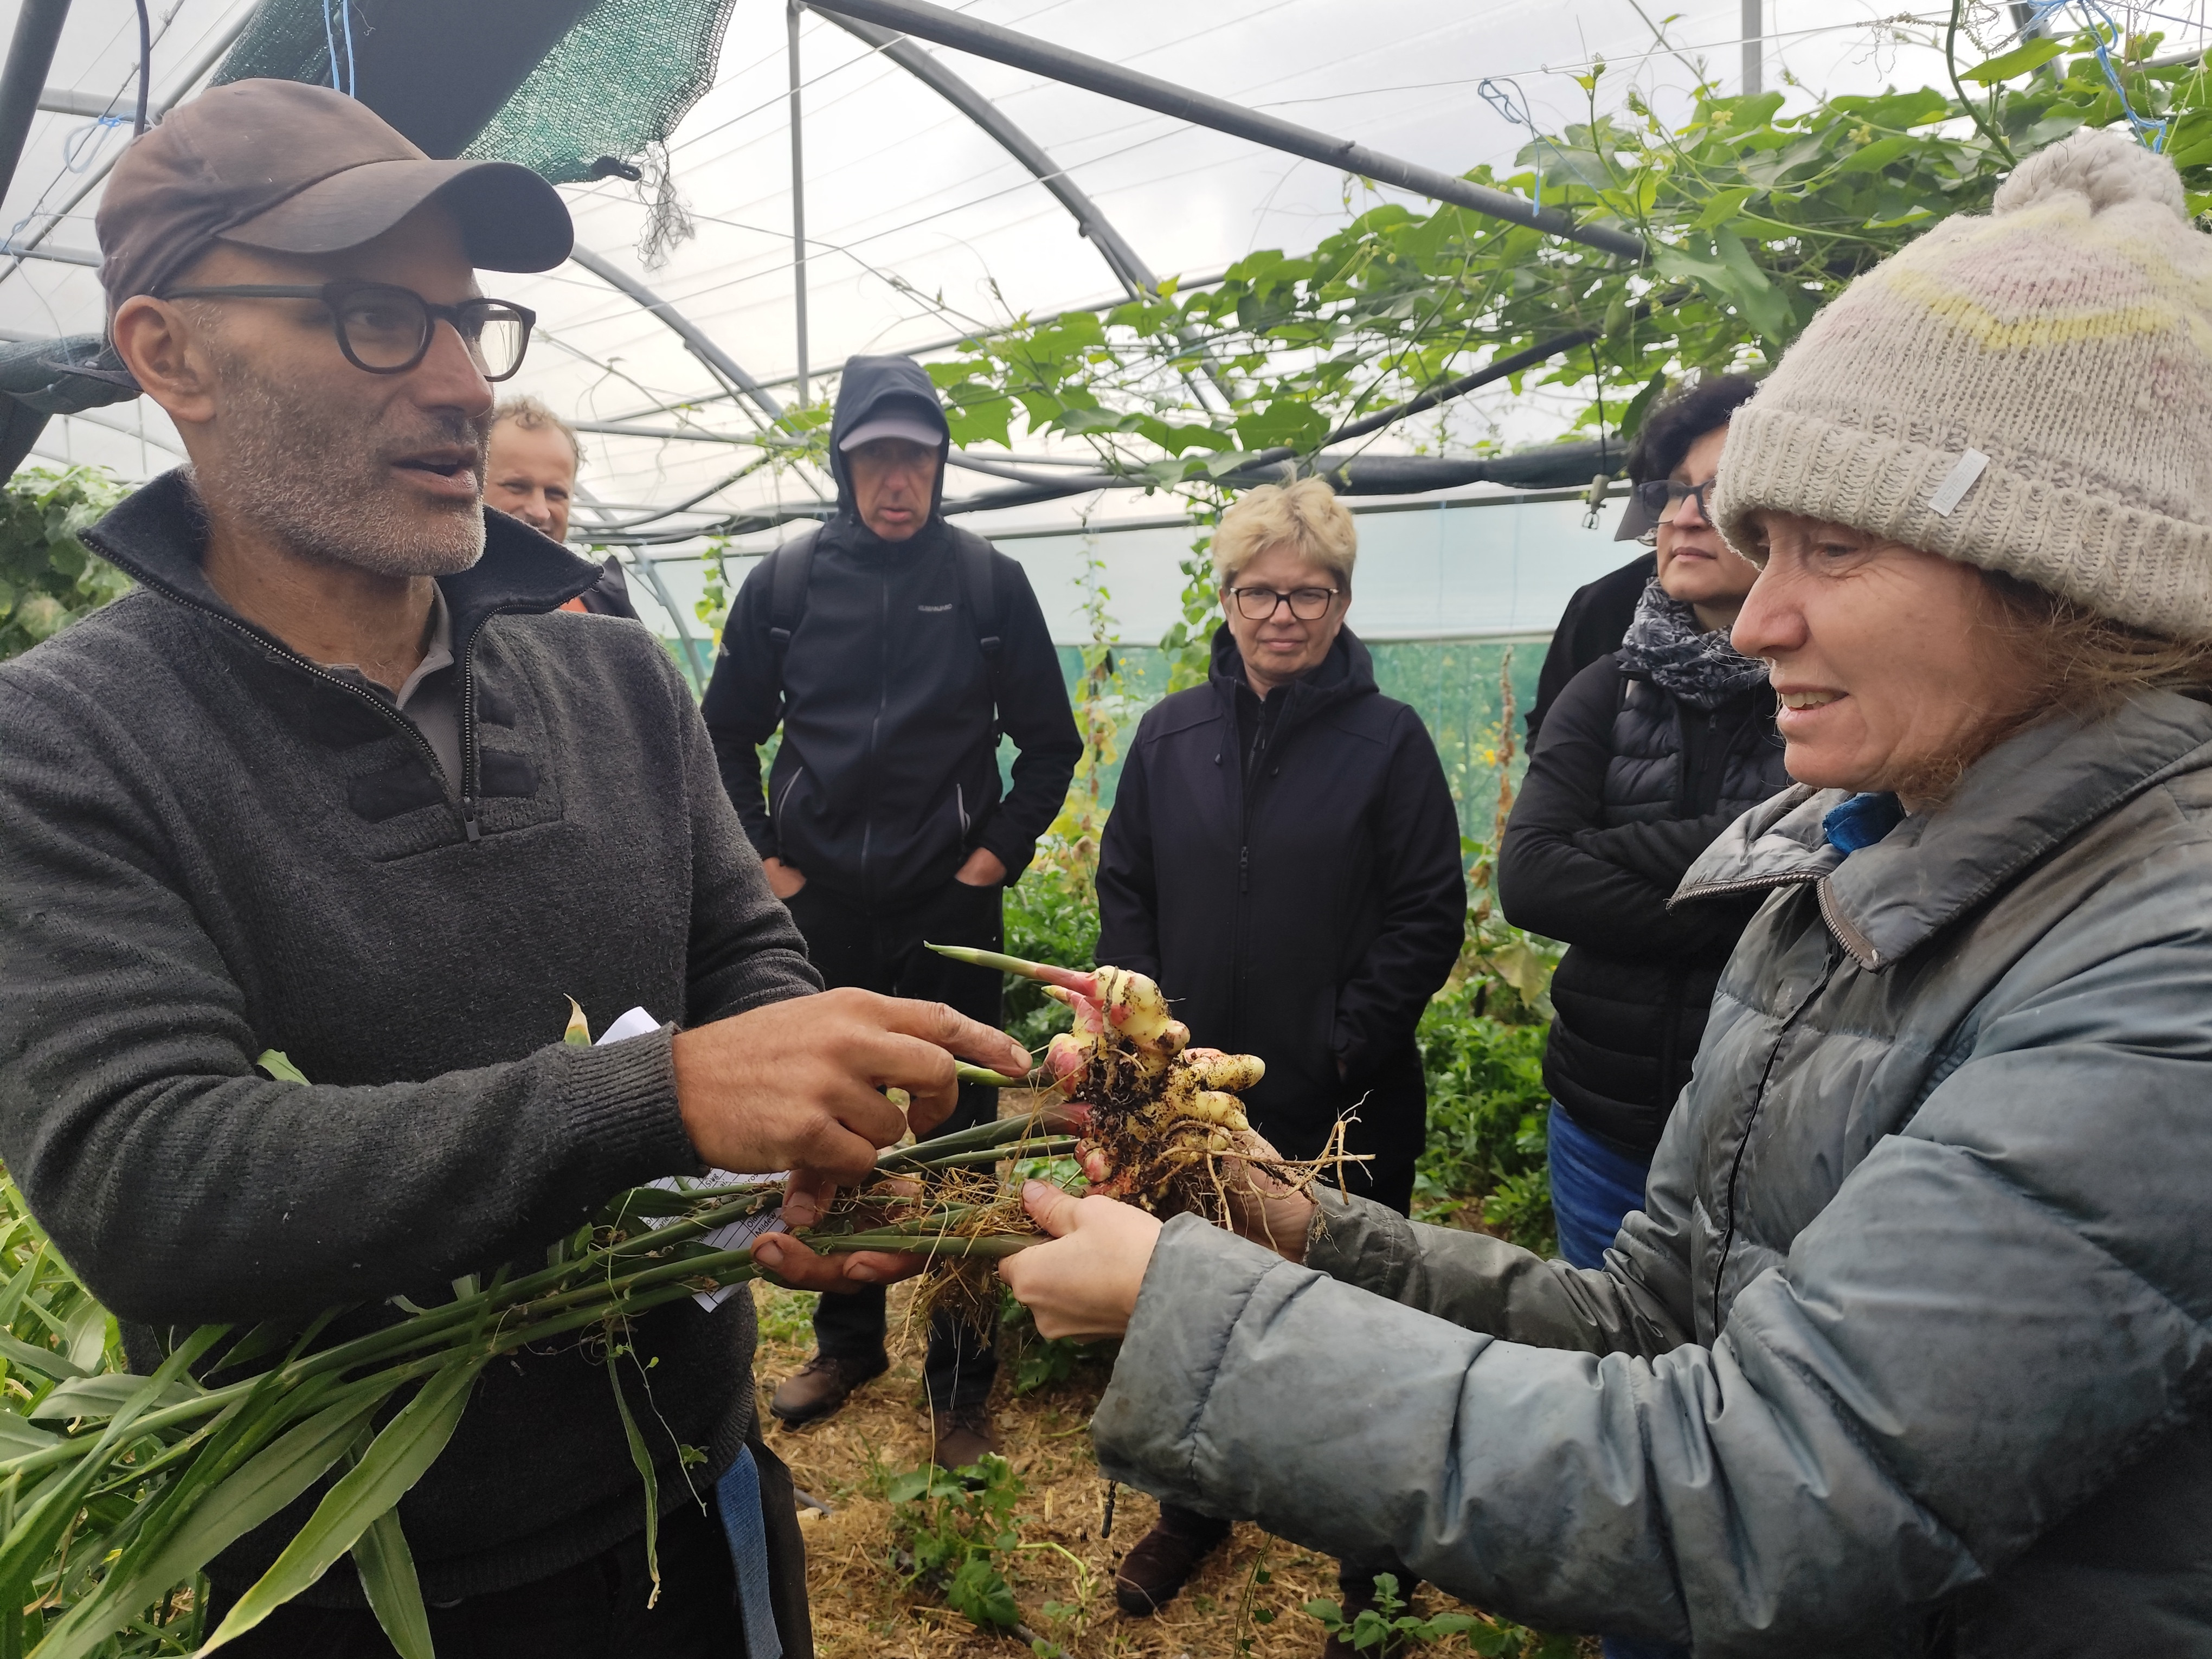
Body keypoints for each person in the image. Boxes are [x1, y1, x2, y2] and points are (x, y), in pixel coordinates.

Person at [994, 130, 2212, 1654]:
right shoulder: (1849, 874)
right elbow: (1645, 1318)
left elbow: (1759, 1490)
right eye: (1762, 544)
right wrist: (1272, 1213)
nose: (1756, 614)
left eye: (1828, 548)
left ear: (2064, 579)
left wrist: (1191, 1310)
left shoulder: (2163, 975)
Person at [0, 80, 1025, 1658]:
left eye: (468, 323)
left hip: (699, 1505)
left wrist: (798, 1147)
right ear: (168, 354)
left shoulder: (610, 678)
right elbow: (146, 1175)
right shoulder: (68, 741)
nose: (461, 386)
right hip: (362, 1589)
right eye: (370, 320)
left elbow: (739, 956)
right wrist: (662, 1100)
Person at [1092, 478, 1465, 1642]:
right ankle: (1196, 1505)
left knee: (1360, 1323)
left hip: (1343, 1103)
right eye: (1260, 590)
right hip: (1192, 1103)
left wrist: (1330, 1048)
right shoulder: (1170, 737)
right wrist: (1154, 1047)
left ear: (1344, 603)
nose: (1283, 615)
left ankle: (1373, 1557)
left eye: (1310, 593)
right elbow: (1127, 891)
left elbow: (1424, 918)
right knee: (1198, 1299)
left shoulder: (1387, 742)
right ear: (1228, 597)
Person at [700, 355, 1080, 1467]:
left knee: (964, 1136)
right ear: (845, 467)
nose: (897, 480)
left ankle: (961, 1382)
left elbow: (1050, 745)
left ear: (940, 465)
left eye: (916, 458)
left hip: (946, 910)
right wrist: (767, 858)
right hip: (820, 913)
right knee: (844, 1124)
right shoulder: (787, 585)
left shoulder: (985, 582)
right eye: (877, 459)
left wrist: (992, 858)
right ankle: (849, 1341)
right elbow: (726, 729)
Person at [1499, 374, 1785, 1289]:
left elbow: (1837, 870)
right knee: (1605, 1359)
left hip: (1773, 1131)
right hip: (1604, 1124)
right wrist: (1736, 876)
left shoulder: (1826, 692)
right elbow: (1532, 879)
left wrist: (1607, 858)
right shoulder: (1607, 683)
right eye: (1672, 491)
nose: (1683, 517)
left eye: (1720, 493)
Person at [483, 392, 640, 618]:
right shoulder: (430, 611)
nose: (540, 512)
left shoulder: (604, 605)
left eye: (555, 493)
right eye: (517, 486)